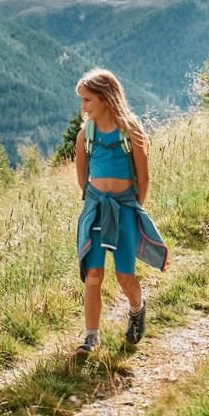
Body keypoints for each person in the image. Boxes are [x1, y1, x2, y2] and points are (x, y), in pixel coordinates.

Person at [73, 68, 167, 355]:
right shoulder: (85, 135)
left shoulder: (131, 131)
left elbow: (144, 176)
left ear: (106, 98)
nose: (84, 107)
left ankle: (137, 310)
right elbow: (82, 175)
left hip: (124, 208)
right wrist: (93, 201)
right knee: (93, 274)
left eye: (88, 100)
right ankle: (91, 337)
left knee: (124, 274)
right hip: (96, 208)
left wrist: (133, 207)